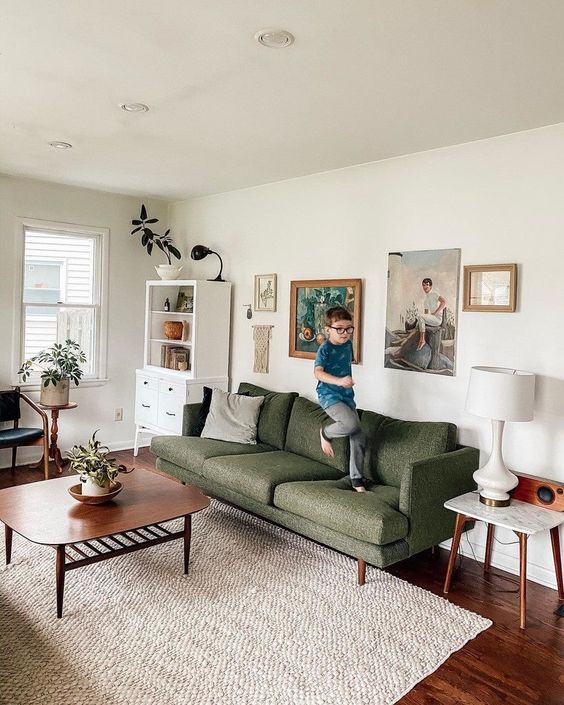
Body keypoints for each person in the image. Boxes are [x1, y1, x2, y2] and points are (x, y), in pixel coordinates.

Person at [314, 306, 367, 492]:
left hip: (346, 396)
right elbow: (318, 373)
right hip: (329, 396)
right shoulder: (325, 349)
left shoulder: (347, 345)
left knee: (359, 435)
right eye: (339, 329)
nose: (345, 333)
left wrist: (346, 382)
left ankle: (357, 479)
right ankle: (326, 433)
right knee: (351, 423)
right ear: (328, 329)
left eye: (349, 328)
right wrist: (339, 381)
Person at [416, 277, 446, 351]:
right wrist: (425, 320)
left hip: (437, 319)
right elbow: (426, 313)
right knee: (419, 320)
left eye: (427, 285)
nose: (425, 287)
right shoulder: (426, 299)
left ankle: (422, 340)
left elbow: (443, 301)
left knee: (420, 316)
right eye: (423, 285)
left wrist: (436, 312)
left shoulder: (434, 294)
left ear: (431, 286)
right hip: (432, 318)